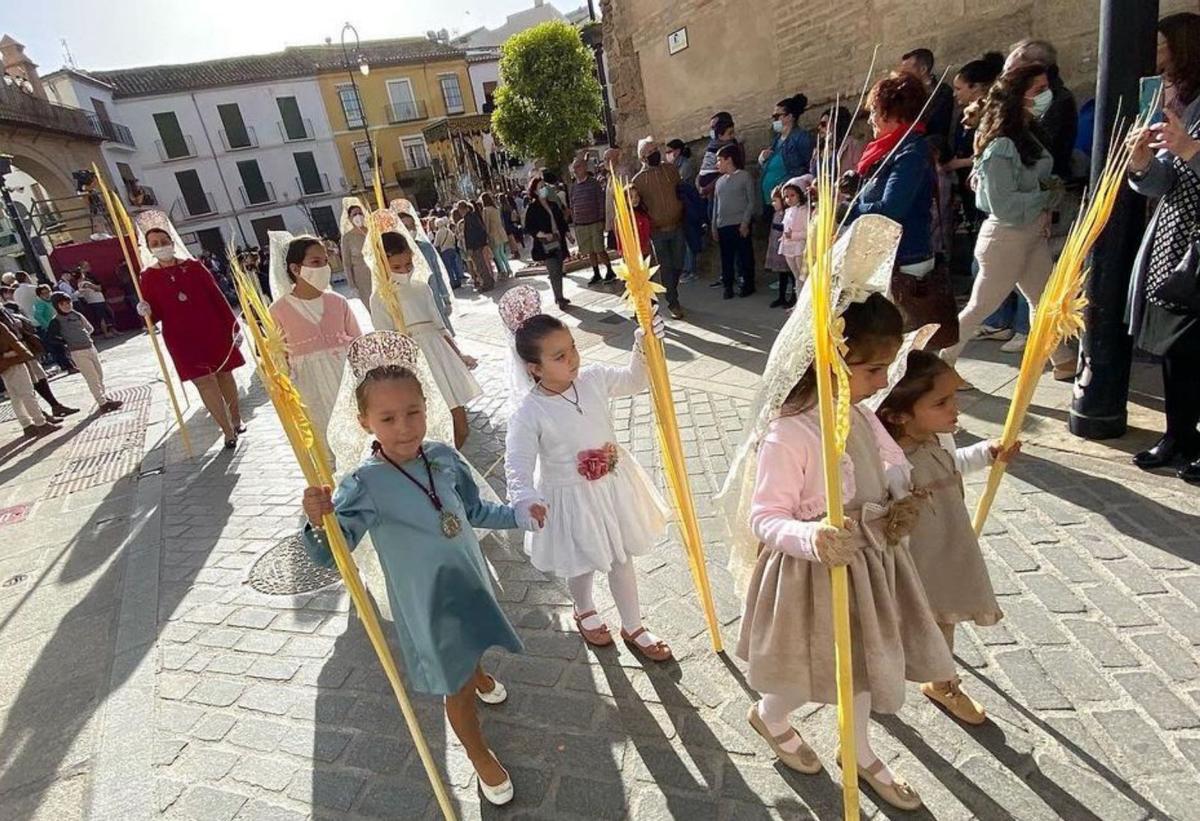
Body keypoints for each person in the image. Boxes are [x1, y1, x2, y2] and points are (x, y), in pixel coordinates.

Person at [723, 219, 949, 809]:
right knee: (807, 671)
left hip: (872, 566)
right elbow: (765, 517)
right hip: (813, 571)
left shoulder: (866, 415)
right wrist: (812, 536)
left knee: (867, 666)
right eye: (873, 370)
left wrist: (905, 498)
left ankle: (861, 750)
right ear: (828, 357)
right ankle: (771, 716)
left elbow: (894, 468)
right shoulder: (792, 433)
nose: (883, 383)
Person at [301, 336, 546, 807]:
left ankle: (476, 673)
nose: (404, 427)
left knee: (472, 638)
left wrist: (518, 513)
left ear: (425, 406)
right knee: (453, 686)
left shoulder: (443, 456)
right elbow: (331, 553)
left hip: (467, 580)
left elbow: (473, 510)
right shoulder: (362, 485)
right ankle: (478, 753)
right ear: (364, 423)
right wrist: (318, 521)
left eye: (412, 411)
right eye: (388, 418)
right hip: (426, 603)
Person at [505, 312, 674, 662]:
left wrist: (644, 343)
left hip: (612, 488)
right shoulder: (529, 412)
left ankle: (633, 624)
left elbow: (634, 381)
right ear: (534, 368)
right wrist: (524, 497)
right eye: (559, 357)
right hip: (570, 497)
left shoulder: (594, 378)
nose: (573, 360)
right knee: (581, 560)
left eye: (572, 349)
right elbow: (517, 462)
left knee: (620, 555)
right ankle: (584, 607)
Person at [877, 350, 1013, 725]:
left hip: (946, 549)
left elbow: (954, 467)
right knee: (891, 625)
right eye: (941, 402)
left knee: (943, 619)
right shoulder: (889, 463)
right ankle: (873, 681)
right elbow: (882, 518)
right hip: (909, 560)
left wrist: (988, 452)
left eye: (955, 398)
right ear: (898, 414)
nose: (955, 409)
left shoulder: (942, 438)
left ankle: (943, 682)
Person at [942, 64, 1074, 379]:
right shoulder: (1002, 145)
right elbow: (1004, 204)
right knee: (979, 308)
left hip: (1026, 234)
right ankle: (940, 366)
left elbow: (1043, 183)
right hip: (1006, 237)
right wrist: (1047, 197)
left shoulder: (1026, 135)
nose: (1046, 95)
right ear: (1018, 97)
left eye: (1046, 88)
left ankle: (1064, 360)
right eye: (1037, 90)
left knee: (1043, 300)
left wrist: (1048, 195)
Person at [1125, 12, 1200, 483]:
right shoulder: (1182, 102)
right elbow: (1166, 181)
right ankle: (1179, 435)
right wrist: (1142, 164)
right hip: (1177, 236)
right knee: (1178, 346)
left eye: (1162, 47)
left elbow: (1191, 161)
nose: (1156, 57)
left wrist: (1193, 150)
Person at [847, 73, 949, 344]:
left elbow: (891, 208)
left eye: (875, 113)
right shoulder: (892, 149)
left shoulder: (910, 153)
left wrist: (849, 208)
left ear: (893, 114)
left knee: (908, 341)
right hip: (888, 256)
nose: (870, 120)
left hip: (906, 259)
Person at [136, 222, 247, 449]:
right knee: (203, 383)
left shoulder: (195, 267)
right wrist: (145, 311)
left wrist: (233, 327)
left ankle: (236, 418)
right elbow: (154, 315)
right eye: (154, 244)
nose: (160, 246)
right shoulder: (147, 277)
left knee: (224, 375)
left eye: (164, 241)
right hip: (181, 338)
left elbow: (217, 297)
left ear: (172, 242)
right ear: (149, 249)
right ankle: (226, 430)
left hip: (212, 329)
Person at [370, 231, 480, 448]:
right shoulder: (380, 297)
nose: (404, 271)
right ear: (382, 265)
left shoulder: (422, 287)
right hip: (414, 364)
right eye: (396, 267)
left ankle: (451, 464)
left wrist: (459, 355)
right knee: (431, 428)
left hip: (440, 356)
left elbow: (440, 327)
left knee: (461, 426)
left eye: (408, 264)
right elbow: (386, 341)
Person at [267, 233, 362, 449]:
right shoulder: (278, 311)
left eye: (325, 261)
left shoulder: (338, 302)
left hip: (344, 379)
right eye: (315, 262)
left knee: (357, 436)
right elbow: (278, 360)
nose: (323, 268)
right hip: (310, 387)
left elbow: (358, 343)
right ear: (295, 269)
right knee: (324, 439)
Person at [632, 137, 687, 319]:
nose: (654, 153)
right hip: (657, 232)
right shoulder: (638, 180)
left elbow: (680, 191)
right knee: (666, 266)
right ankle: (673, 301)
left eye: (656, 148)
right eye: (649, 151)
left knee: (679, 263)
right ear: (642, 157)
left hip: (677, 225)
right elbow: (635, 205)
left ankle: (671, 289)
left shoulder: (670, 170)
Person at [47, 293, 124, 413]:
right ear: (57, 306)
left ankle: (104, 397)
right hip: (77, 351)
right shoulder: (56, 321)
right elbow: (51, 338)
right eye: (63, 304)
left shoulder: (76, 314)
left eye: (68, 302)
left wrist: (85, 335)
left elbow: (89, 327)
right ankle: (102, 402)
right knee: (91, 377)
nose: (67, 306)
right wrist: (66, 342)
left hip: (90, 347)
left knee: (99, 375)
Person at [394, 202, 456, 335]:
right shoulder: (394, 256)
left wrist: (446, 298)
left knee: (446, 340)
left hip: (435, 301)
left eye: (412, 226)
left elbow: (437, 273)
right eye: (405, 227)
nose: (410, 230)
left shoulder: (426, 248)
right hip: (414, 310)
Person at [0, 317, 61, 438]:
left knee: (16, 396)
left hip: (8, 363)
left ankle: (27, 425)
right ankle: (40, 423)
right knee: (26, 393)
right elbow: (12, 341)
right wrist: (14, 354)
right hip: (13, 361)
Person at [713, 143, 757, 299]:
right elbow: (716, 205)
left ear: (729, 160)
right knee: (726, 257)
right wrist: (714, 226)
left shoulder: (744, 176)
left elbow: (751, 201)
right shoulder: (719, 182)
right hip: (723, 225)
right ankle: (728, 285)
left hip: (740, 224)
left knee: (745, 256)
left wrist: (745, 222)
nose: (717, 164)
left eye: (720, 160)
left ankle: (748, 284)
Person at [759, 94, 813, 218]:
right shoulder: (776, 139)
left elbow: (808, 165)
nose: (774, 120)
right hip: (771, 199)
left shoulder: (801, 137)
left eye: (777, 116)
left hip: (788, 199)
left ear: (790, 116)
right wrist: (762, 160)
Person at [524, 177, 572, 310]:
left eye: (544, 186)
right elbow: (529, 226)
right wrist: (542, 234)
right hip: (545, 244)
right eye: (540, 187)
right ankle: (559, 297)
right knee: (553, 271)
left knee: (559, 269)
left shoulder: (553, 204)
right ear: (534, 190)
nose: (543, 189)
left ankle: (560, 295)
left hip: (558, 240)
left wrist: (567, 234)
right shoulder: (532, 208)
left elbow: (561, 222)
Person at [899, 48, 956, 161]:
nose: (903, 77)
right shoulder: (906, 93)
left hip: (931, 147)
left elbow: (936, 125)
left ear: (923, 69)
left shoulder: (941, 91)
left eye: (907, 73)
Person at [568, 157, 615, 286]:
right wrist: (575, 219)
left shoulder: (593, 183)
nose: (576, 170)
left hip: (595, 222)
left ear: (584, 167)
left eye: (578, 166)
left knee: (599, 249)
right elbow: (572, 204)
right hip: (581, 224)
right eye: (574, 167)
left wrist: (601, 218)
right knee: (590, 251)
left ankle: (610, 270)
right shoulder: (573, 187)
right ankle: (596, 273)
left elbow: (600, 201)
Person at [777, 175, 813, 309]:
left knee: (804, 276)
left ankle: (806, 304)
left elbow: (808, 231)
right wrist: (785, 237)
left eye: (792, 195)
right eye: (786, 196)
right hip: (788, 247)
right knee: (796, 277)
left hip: (799, 246)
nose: (789, 199)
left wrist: (793, 235)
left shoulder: (805, 211)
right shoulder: (788, 211)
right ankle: (799, 303)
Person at [811, 106, 864, 175]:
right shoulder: (818, 148)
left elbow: (858, 171)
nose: (819, 127)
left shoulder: (853, 145)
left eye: (823, 124)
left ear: (837, 124)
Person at [338, 198, 372, 301]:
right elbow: (347, 264)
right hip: (361, 277)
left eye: (360, 213)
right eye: (354, 214)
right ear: (349, 218)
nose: (358, 216)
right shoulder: (347, 238)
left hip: (377, 272)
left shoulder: (372, 232)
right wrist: (352, 285)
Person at [698, 112, 738, 195]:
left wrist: (708, 187)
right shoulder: (713, 143)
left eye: (714, 127)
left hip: (716, 189)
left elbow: (729, 172)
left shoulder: (730, 147)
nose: (713, 130)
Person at [459, 200, 495, 292]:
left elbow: (471, 234)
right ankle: (488, 281)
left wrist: (470, 247)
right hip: (478, 244)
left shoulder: (469, 218)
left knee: (480, 265)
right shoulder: (473, 216)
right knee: (481, 264)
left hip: (475, 246)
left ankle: (487, 283)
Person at [765, 185, 789, 306]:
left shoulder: (787, 213)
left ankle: (793, 298)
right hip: (776, 247)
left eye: (775, 200)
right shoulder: (776, 213)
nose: (773, 203)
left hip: (786, 249)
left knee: (789, 273)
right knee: (782, 274)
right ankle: (781, 296)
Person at [479, 192, 513, 280]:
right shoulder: (496, 208)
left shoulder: (486, 210)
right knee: (502, 253)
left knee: (496, 254)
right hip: (501, 232)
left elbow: (486, 224)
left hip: (493, 234)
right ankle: (509, 269)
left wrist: (486, 235)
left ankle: (503, 271)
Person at [432, 216, 465, 290]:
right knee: (454, 266)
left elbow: (436, 244)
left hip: (445, 251)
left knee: (449, 268)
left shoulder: (439, 232)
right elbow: (453, 240)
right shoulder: (448, 231)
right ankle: (458, 281)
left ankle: (453, 282)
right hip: (452, 249)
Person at [500, 194, 524, 260]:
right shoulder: (509, 206)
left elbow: (503, 219)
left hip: (507, 225)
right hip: (512, 224)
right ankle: (516, 252)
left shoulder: (502, 208)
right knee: (512, 239)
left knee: (511, 240)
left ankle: (516, 253)